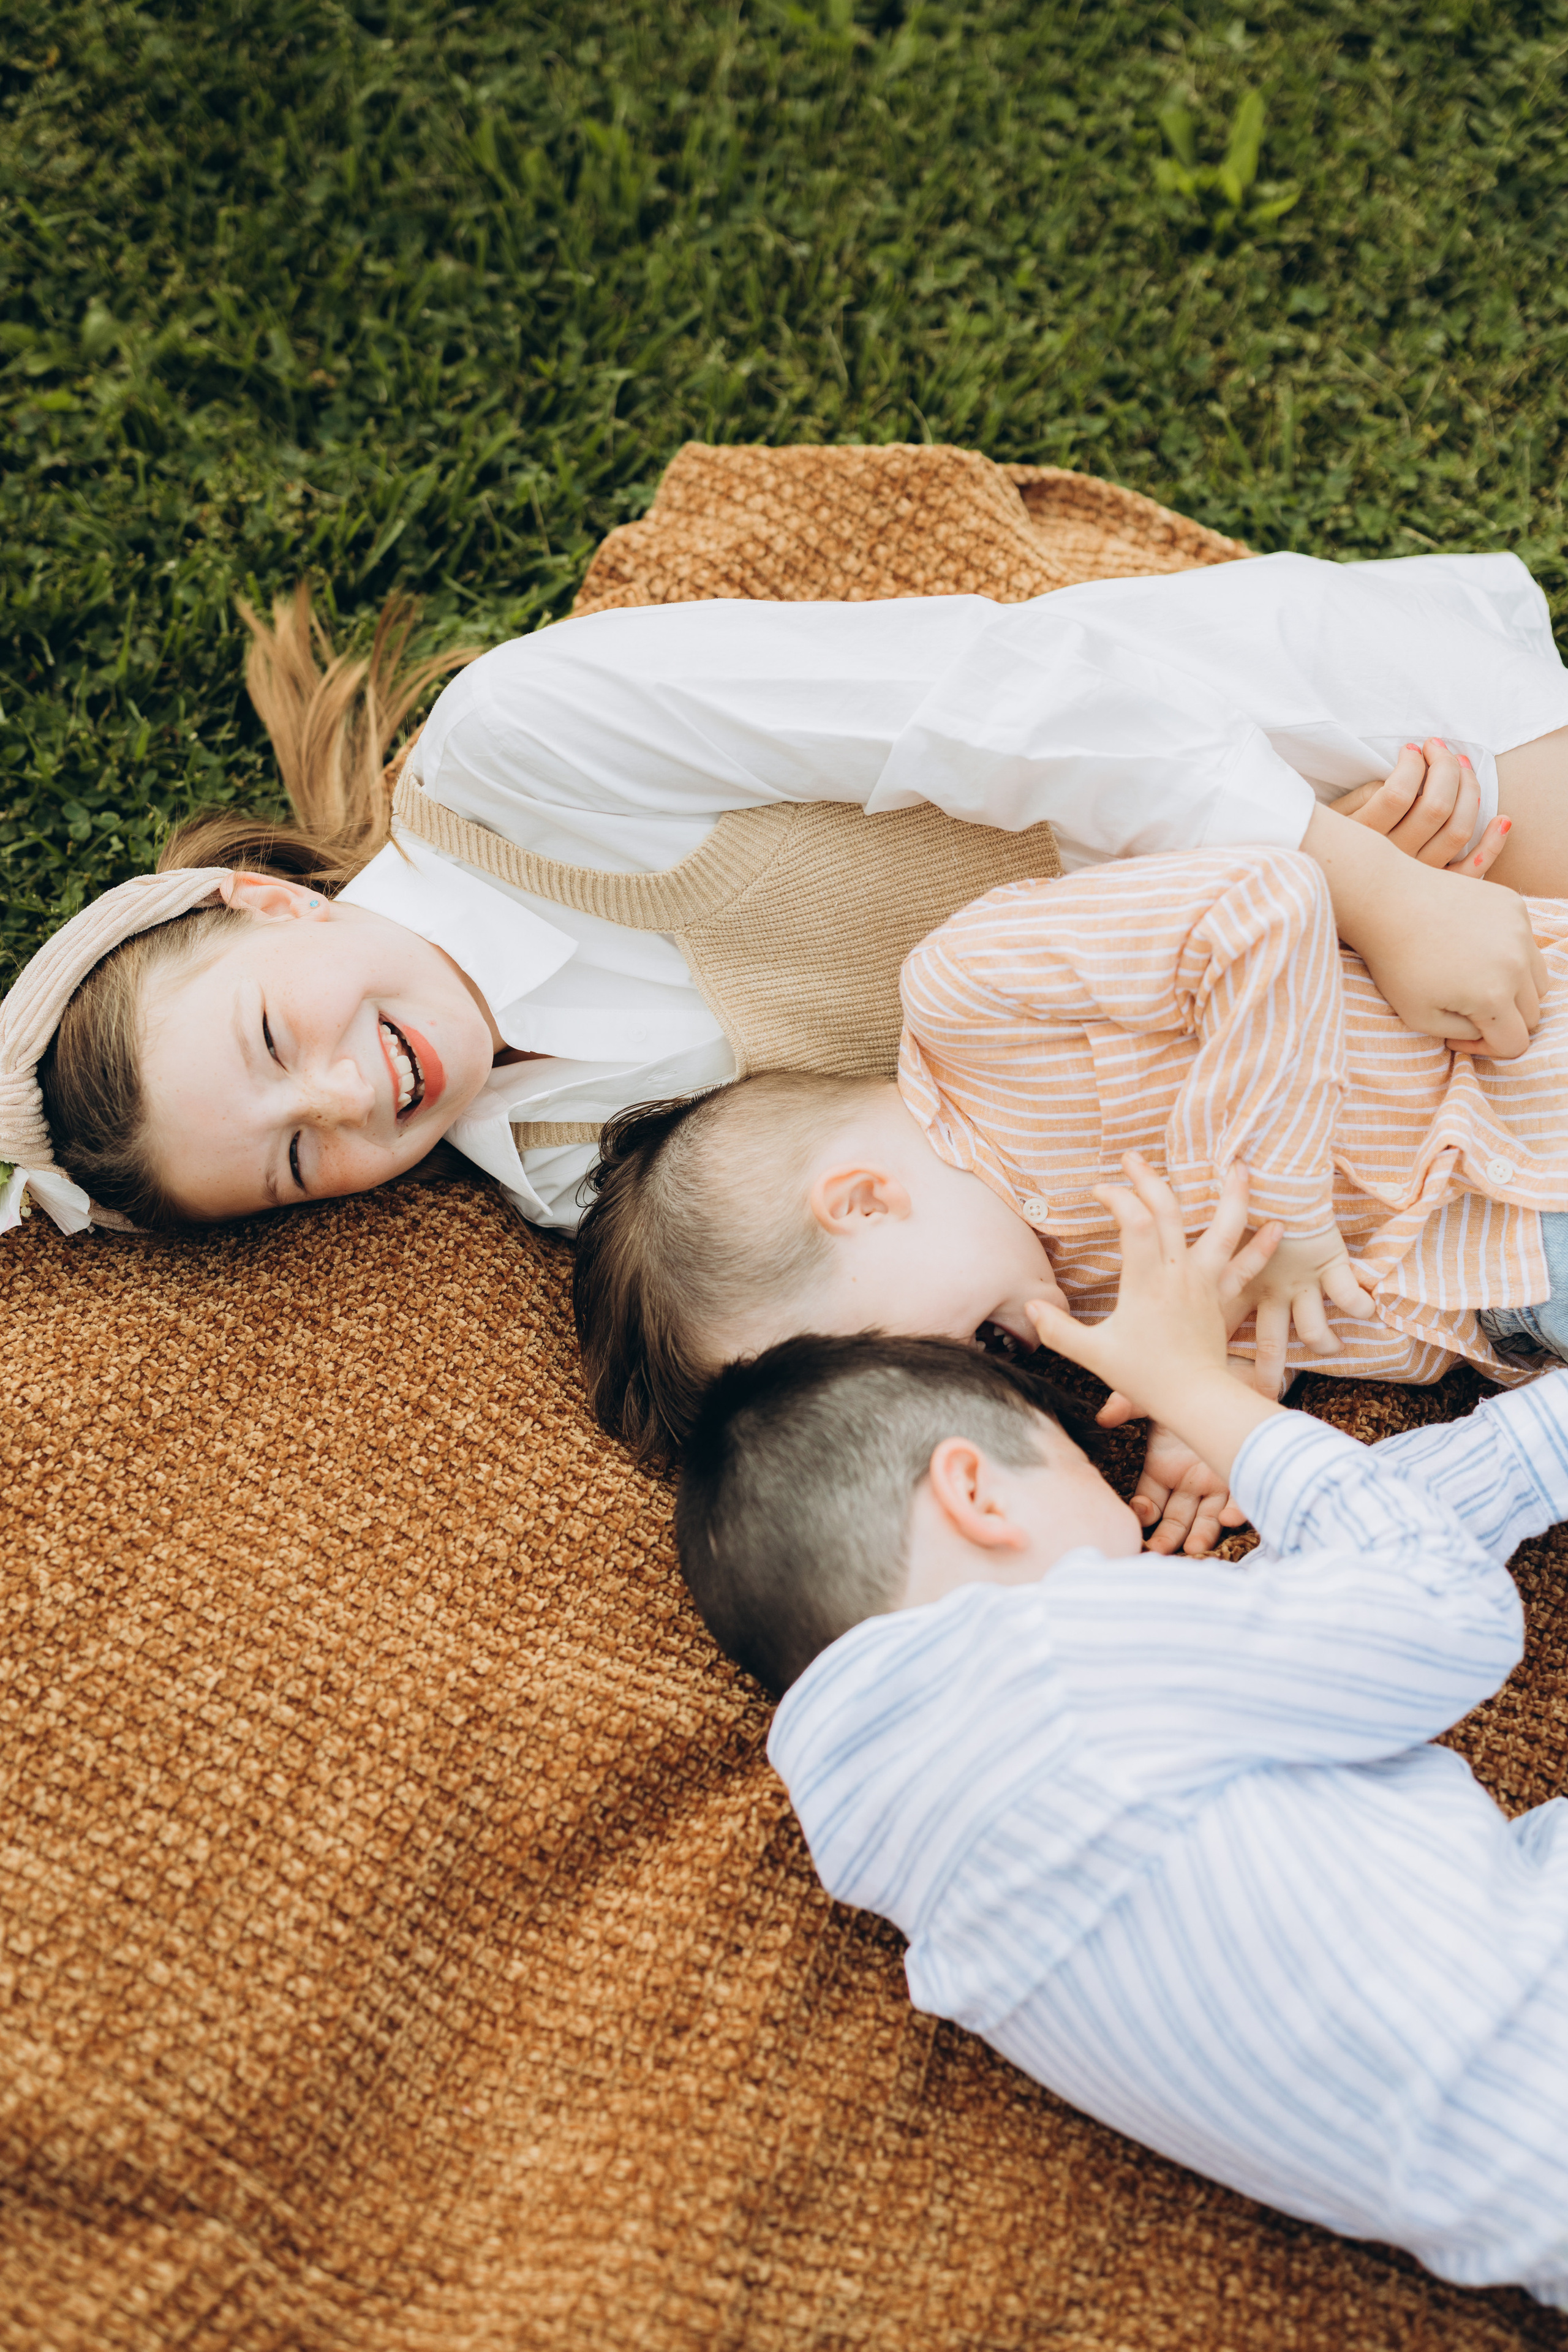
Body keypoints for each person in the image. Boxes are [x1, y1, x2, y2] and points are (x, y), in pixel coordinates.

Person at [3, 550, 1568, 1241]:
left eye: (279, 1041)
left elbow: (1004, 696)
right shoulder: (558, 1171)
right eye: (292, 1162)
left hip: (1288, 763)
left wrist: (1351, 876)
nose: (350, 1097)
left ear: (264, 904)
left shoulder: (519, 755)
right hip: (1267, 1025)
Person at [674, 1156, 1568, 2310]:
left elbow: (1319, 1597)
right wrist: (1210, 1400)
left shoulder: (929, 1874)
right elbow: (1439, 1612)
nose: (1144, 1534)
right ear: (978, 1495)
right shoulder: (1051, 1668)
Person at [570, 809, 1568, 1551]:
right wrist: (1205, 1396)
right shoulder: (1069, 1321)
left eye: (925, 1360)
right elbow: (1273, 1308)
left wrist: (1274, 1201)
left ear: (864, 1202)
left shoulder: (973, 1001)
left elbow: (1266, 900)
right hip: (1513, 1318)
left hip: (1531, 1091)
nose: (975, 1383)